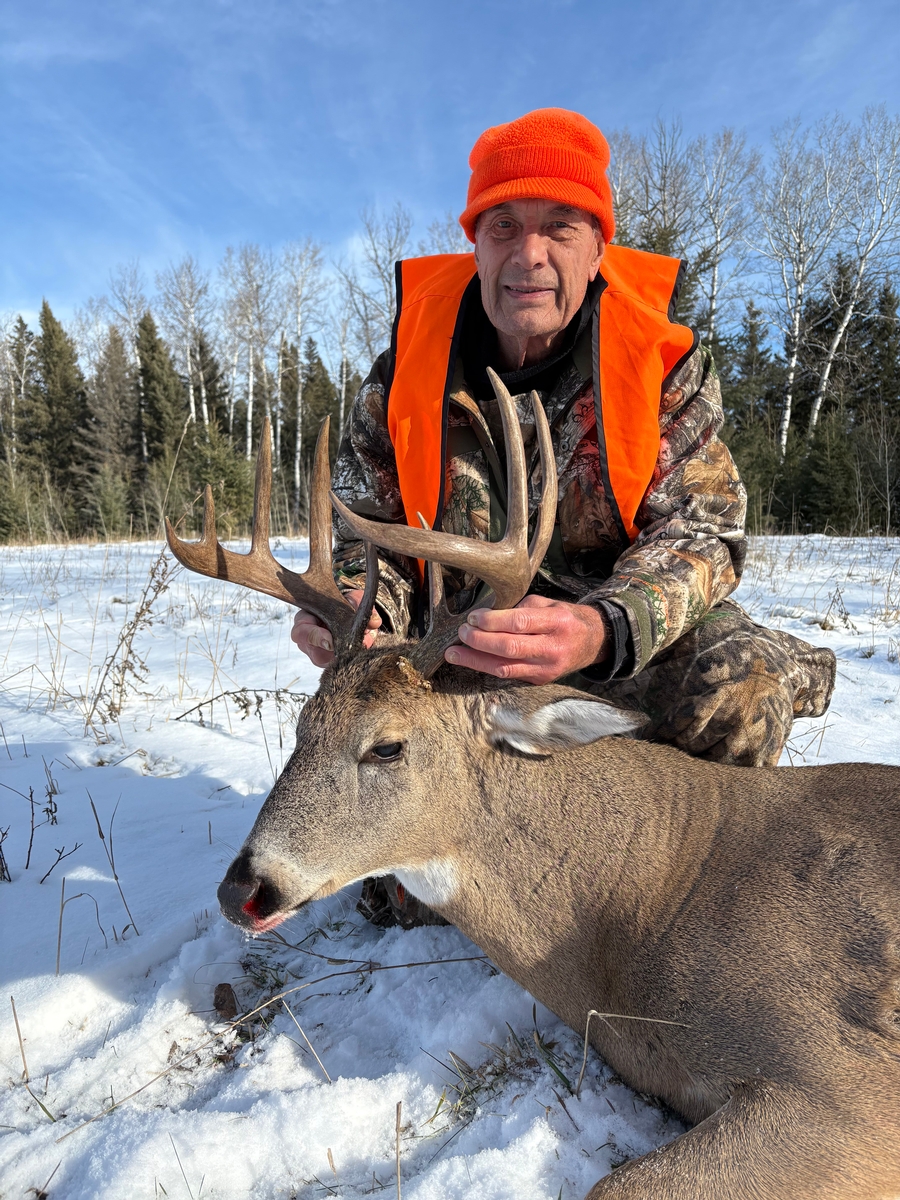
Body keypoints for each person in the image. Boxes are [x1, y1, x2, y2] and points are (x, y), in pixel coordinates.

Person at [291, 108, 836, 926]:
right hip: (466, 647)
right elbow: (365, 532)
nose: (529, 255)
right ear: (475, 244)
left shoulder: (658, 359)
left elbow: (704, 530)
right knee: (399, 905)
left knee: (741, 683)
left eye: (560, 226)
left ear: (598, 247)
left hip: (615, 637)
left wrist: (604, 627)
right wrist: (361, 613)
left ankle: (693, 901)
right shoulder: (406, 370)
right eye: (504, 225)